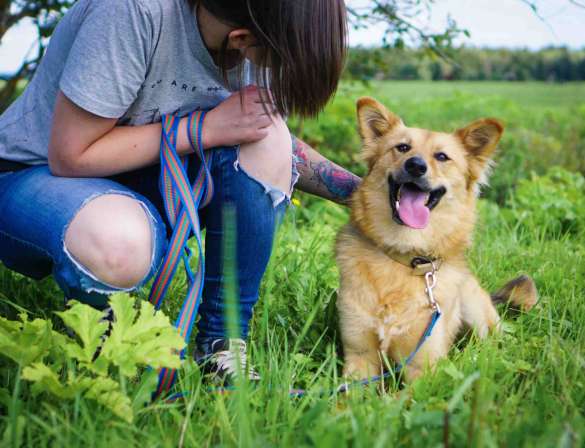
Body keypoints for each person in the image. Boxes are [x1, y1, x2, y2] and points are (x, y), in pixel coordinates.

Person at [0, 0, 360, 382]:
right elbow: (70, 155)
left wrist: (364, 195)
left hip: (145, 180)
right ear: (240, 38)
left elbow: (262, 140)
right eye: (276, 63)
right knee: (118, 245)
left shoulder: (264, 27)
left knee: (269, 133)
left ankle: (221, 344)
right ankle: (102, 340)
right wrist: (206, 128)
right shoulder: (132, 12)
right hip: (35, 176)